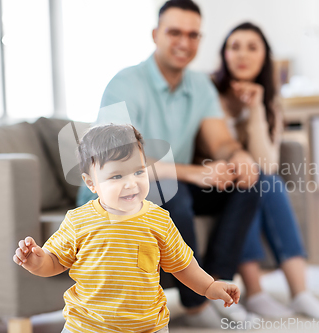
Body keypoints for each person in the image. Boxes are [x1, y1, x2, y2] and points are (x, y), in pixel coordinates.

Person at [77, 0, 262, 328]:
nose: (184, 42)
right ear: (155, 35)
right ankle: (196, 304)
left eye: (193, 35)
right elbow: (117, 159)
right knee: (174, 193)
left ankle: (217, 285)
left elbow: (219, 140)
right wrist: (193, 172)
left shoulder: (200, 85)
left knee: (248, 184)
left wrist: (238, 155)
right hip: (114, 193)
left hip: (168, 182)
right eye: (174, 32)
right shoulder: (126, 83)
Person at [13, 124, 241, 333]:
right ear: (91, 183)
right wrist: (37, 262)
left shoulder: (158, 220)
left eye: (139, 172)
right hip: (87, 326)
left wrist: (209, 286)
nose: (131, 183)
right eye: (117, 176)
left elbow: (183, 264)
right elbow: (55, 261)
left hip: (148, 326)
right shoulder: (78, 221)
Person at [212, 22, 319, 320]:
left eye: (252, 47)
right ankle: (255, 292)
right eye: (234, 46)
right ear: (224, 55)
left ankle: (301, 293)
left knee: (266, 180)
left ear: (264, 57)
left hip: (253, 179)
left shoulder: (269, 103)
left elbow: (267, 163)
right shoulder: (210, 96)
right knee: (253, 182)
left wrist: (256, 109)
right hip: (216, 179)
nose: (242, 54)